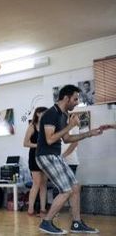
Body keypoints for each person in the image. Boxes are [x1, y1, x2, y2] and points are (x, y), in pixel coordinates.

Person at [36, 84, 103, 234]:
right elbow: (50, 140)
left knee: (75, 187)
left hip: (55, 155)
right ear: (66, 98)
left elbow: (66, 139)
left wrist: (89, 133)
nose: (77, 102)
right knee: (66, 190)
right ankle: (46, 222)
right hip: (45, 155)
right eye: (75, 99)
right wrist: (71, 125)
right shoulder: (50, 114)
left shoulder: (63, 115)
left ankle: (77, 223)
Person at [23, 107, 48, 216]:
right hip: (34, 157)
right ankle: (30, 209)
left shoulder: (46, 127)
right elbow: (25, 143)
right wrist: (38, 145)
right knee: (36, 183)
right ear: (38, 114)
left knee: (44, 184)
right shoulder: (32, 126)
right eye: (44, 113)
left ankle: (43, 209)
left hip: (45, 157)